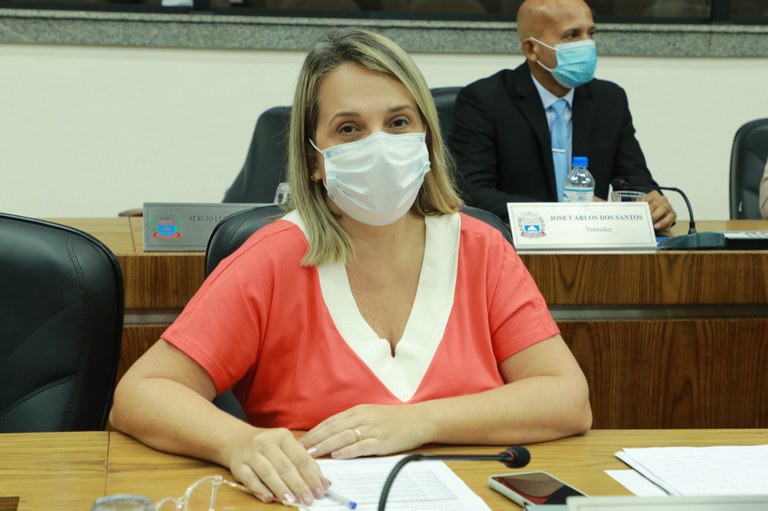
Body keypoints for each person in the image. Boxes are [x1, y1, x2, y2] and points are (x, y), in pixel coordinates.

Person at [110, 27, 592, 508]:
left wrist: (419, 421)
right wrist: (236, 442)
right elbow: (141, 394)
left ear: (427, 139)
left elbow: (567, 399)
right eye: (349, 129)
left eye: (399, 122)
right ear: (314, 159)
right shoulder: (273, 257)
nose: (378, 144)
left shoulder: (482, 249)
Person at [450, 0, 676, 231]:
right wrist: (562, 215)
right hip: (518, 239)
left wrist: (653, 205)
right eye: (572, 35)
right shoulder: (485, 100)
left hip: (592, 241)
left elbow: (634, 179)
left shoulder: (609, 99)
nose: (587, 44)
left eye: (591, 33)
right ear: (531, 49)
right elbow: (472, 193)